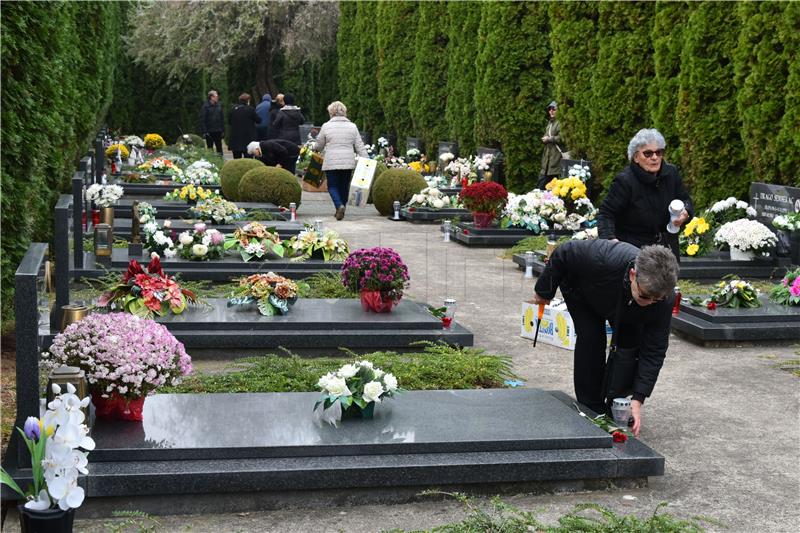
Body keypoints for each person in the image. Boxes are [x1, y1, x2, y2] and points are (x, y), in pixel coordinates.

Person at [528, 240, 678, 437]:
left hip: (624, 301)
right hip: (583, 289)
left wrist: (638, 398)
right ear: (633, 274)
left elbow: (655, 349)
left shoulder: (662, 299)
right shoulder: (602, 257)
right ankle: (589, 405)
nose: (649, 303)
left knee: (628, 346)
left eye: (655, 300)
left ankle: (616, 403)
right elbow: (563, 252)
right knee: (592, 339)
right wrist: (544, 290)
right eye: (646, 296)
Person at [598, 128, 693, 260]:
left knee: (668, 280)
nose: (654, 157)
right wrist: (611, 241)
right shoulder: (625, 181)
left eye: (658, 152)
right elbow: (606, 213)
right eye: (648, 154)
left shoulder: (671, 173)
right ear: (636, 157)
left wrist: (685, 212)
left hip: (667, 247)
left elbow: (685, 200)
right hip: (633, 249)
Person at [314, 101, 367, 220]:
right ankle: (341, 207)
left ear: (331, 112)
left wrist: (314, 148)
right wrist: (367, 160)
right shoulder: (352, 126)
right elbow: (359, 145)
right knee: (344, 186)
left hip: (331, 161)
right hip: (348, 161)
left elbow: (319, 145)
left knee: (332, 186)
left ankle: (339, 206)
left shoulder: (326, 126)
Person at [537, 101, 564, 190]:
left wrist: (550, 139)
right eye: (550, 109)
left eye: (554, 109)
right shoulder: (550, 123)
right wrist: (544, 139)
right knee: (541, 186)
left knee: (553, 188)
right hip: (547, 162)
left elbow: (562, 137)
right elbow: (546, 135)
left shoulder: (560, 122)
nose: (551, 111)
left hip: (557, 160)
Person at [228, 93, 261, 159]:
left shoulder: (233, 109)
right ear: (248, 100)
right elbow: (258, 120)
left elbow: (229, 122)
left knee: (237, 160)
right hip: (247, 139)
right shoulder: (250, 109)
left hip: (236, 139)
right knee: (248, 159)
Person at [201, 90, 224, 155]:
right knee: (210, 149)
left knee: (219, 148)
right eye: (216, 96)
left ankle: (220, 162)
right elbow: (203, 119)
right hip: (209, 131)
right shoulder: (205, 106)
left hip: (218, 130)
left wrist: (222, 130)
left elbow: (222, 118)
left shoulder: (219, 105)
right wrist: (205, 131)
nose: (217, 97)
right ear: (211, 97)